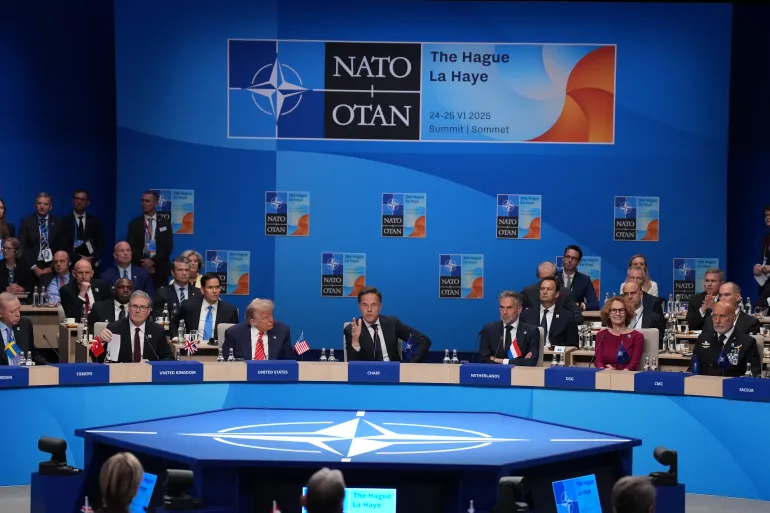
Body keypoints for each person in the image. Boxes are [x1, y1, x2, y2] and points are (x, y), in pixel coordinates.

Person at [343, 286, 431, 362]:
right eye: (365, 305)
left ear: (380, 307)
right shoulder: (351, 329)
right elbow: (352, 365)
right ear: (359, 307)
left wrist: (410, 365)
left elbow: (424, 340)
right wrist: (355, 342)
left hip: (394, 375)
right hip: (367, 376)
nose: (369, 309)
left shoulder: (392, 323)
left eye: (374, 305)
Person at [96, 291, 173, 362]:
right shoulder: (114, 328)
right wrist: (99, 341)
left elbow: (168, 358)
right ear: (128, 308)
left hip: (148, 374)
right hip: (121, 374)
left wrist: (152, 365)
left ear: (149, 311)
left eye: (142, 307)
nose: (137, 310)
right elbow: (97, 358)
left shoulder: (157, 330)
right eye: (134, 306)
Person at [690, 301, 761, 377]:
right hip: (705, 386)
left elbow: (754, 374)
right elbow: (692, 369)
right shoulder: (703, 339)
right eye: (714, 316)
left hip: (732, 386)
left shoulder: (747, 342)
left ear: (733, 318)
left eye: (723, 316)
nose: (717, 321)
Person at [171, 273, 239, 345]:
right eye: (210, 287)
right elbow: (173, 323)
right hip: (193, 350)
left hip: (218, 352)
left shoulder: (230, 311)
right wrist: (176, 337)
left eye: (217, 287)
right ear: (202, 290)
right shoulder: (189, 306)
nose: (214, 291)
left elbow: (236, 335)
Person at [126, 190, 173, 289]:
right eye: (142, 201)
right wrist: (144, 263)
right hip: (139, 267)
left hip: (160, 269)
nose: (144, 204)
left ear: (155, 203)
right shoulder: (134, 224)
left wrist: (153, 262)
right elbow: (131, 247)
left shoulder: (165, 223)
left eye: (147, 201)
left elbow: (167, 247)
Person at [479, 290, 540, 365]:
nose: (504, 312)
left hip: (521, 375)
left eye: (509, 308)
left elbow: (531, 362)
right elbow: (484, 360)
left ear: (519, 309)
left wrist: (501, 361)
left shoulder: (531, 331)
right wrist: (521, 361)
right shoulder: (489, 330)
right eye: (502, 307)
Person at [18, 192, 66, 286]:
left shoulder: (58, 222)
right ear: (34, 205)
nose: (42, 206)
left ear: (50, 207)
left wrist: (52, 267)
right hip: (32, 266)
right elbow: (22, 247)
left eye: (45, 204)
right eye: (39, 203)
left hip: (52, 265)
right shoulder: (26, 222)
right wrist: (34, 267)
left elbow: (62, 246)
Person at [222, 298, 294, 360]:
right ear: (253, 321)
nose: (271, 320)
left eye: (271, 315)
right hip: (243, 373)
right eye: (266, 318)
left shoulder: (282, 331)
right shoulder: (234, 333)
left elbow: (288, 360)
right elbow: (226, 362)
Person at [520, 276, 578, 347]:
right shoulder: (526, 315)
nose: (544, 292)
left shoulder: (567, 317)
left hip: (555, 356)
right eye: (542, 289)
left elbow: (572, 345)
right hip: (532, 356)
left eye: (549, 289)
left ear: (557, 294)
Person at [60, 189, 105, 275]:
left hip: (91, 265)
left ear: (88, 202)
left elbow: (100, 245)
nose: (79, 201)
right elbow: (63, 245)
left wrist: (91, 258)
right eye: (77, 198)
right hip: (71, 265)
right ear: (72, 201)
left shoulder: (95, 222)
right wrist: (79, 258)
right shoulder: (64, 222)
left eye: (82, 199)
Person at [594, 296, 643, 370]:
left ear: (626, 313)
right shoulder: (601, 335)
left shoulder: (637, 336)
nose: (617, 313)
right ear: (608, 314)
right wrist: (603, 371)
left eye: (621, 310)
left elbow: (633, 364)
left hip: (626, 376)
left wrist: (618, 374)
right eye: (614, 310)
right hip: (605, 375)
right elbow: (598, 361)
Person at [0, 292, 45, 365]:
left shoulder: (25, 324)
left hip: (24, 373)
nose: (18, 314)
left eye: (18, 309)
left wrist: (49, 366)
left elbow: (32, 354)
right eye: (12, 311)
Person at [621, 280, 665, 348]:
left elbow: (658, 345)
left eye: (633, 293)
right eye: (626, 294)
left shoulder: (655, 319)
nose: (629, 297)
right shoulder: (617, 317)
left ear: (641, 294)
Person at [557, 245, 599, 311]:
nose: (570, 260)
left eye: (574, 258)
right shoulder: (554, 277)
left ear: (578, 262)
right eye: (568, 257)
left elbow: (595, 304)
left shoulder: (584, 280)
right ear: (563, 258)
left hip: (574, 317)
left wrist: (580, 305)